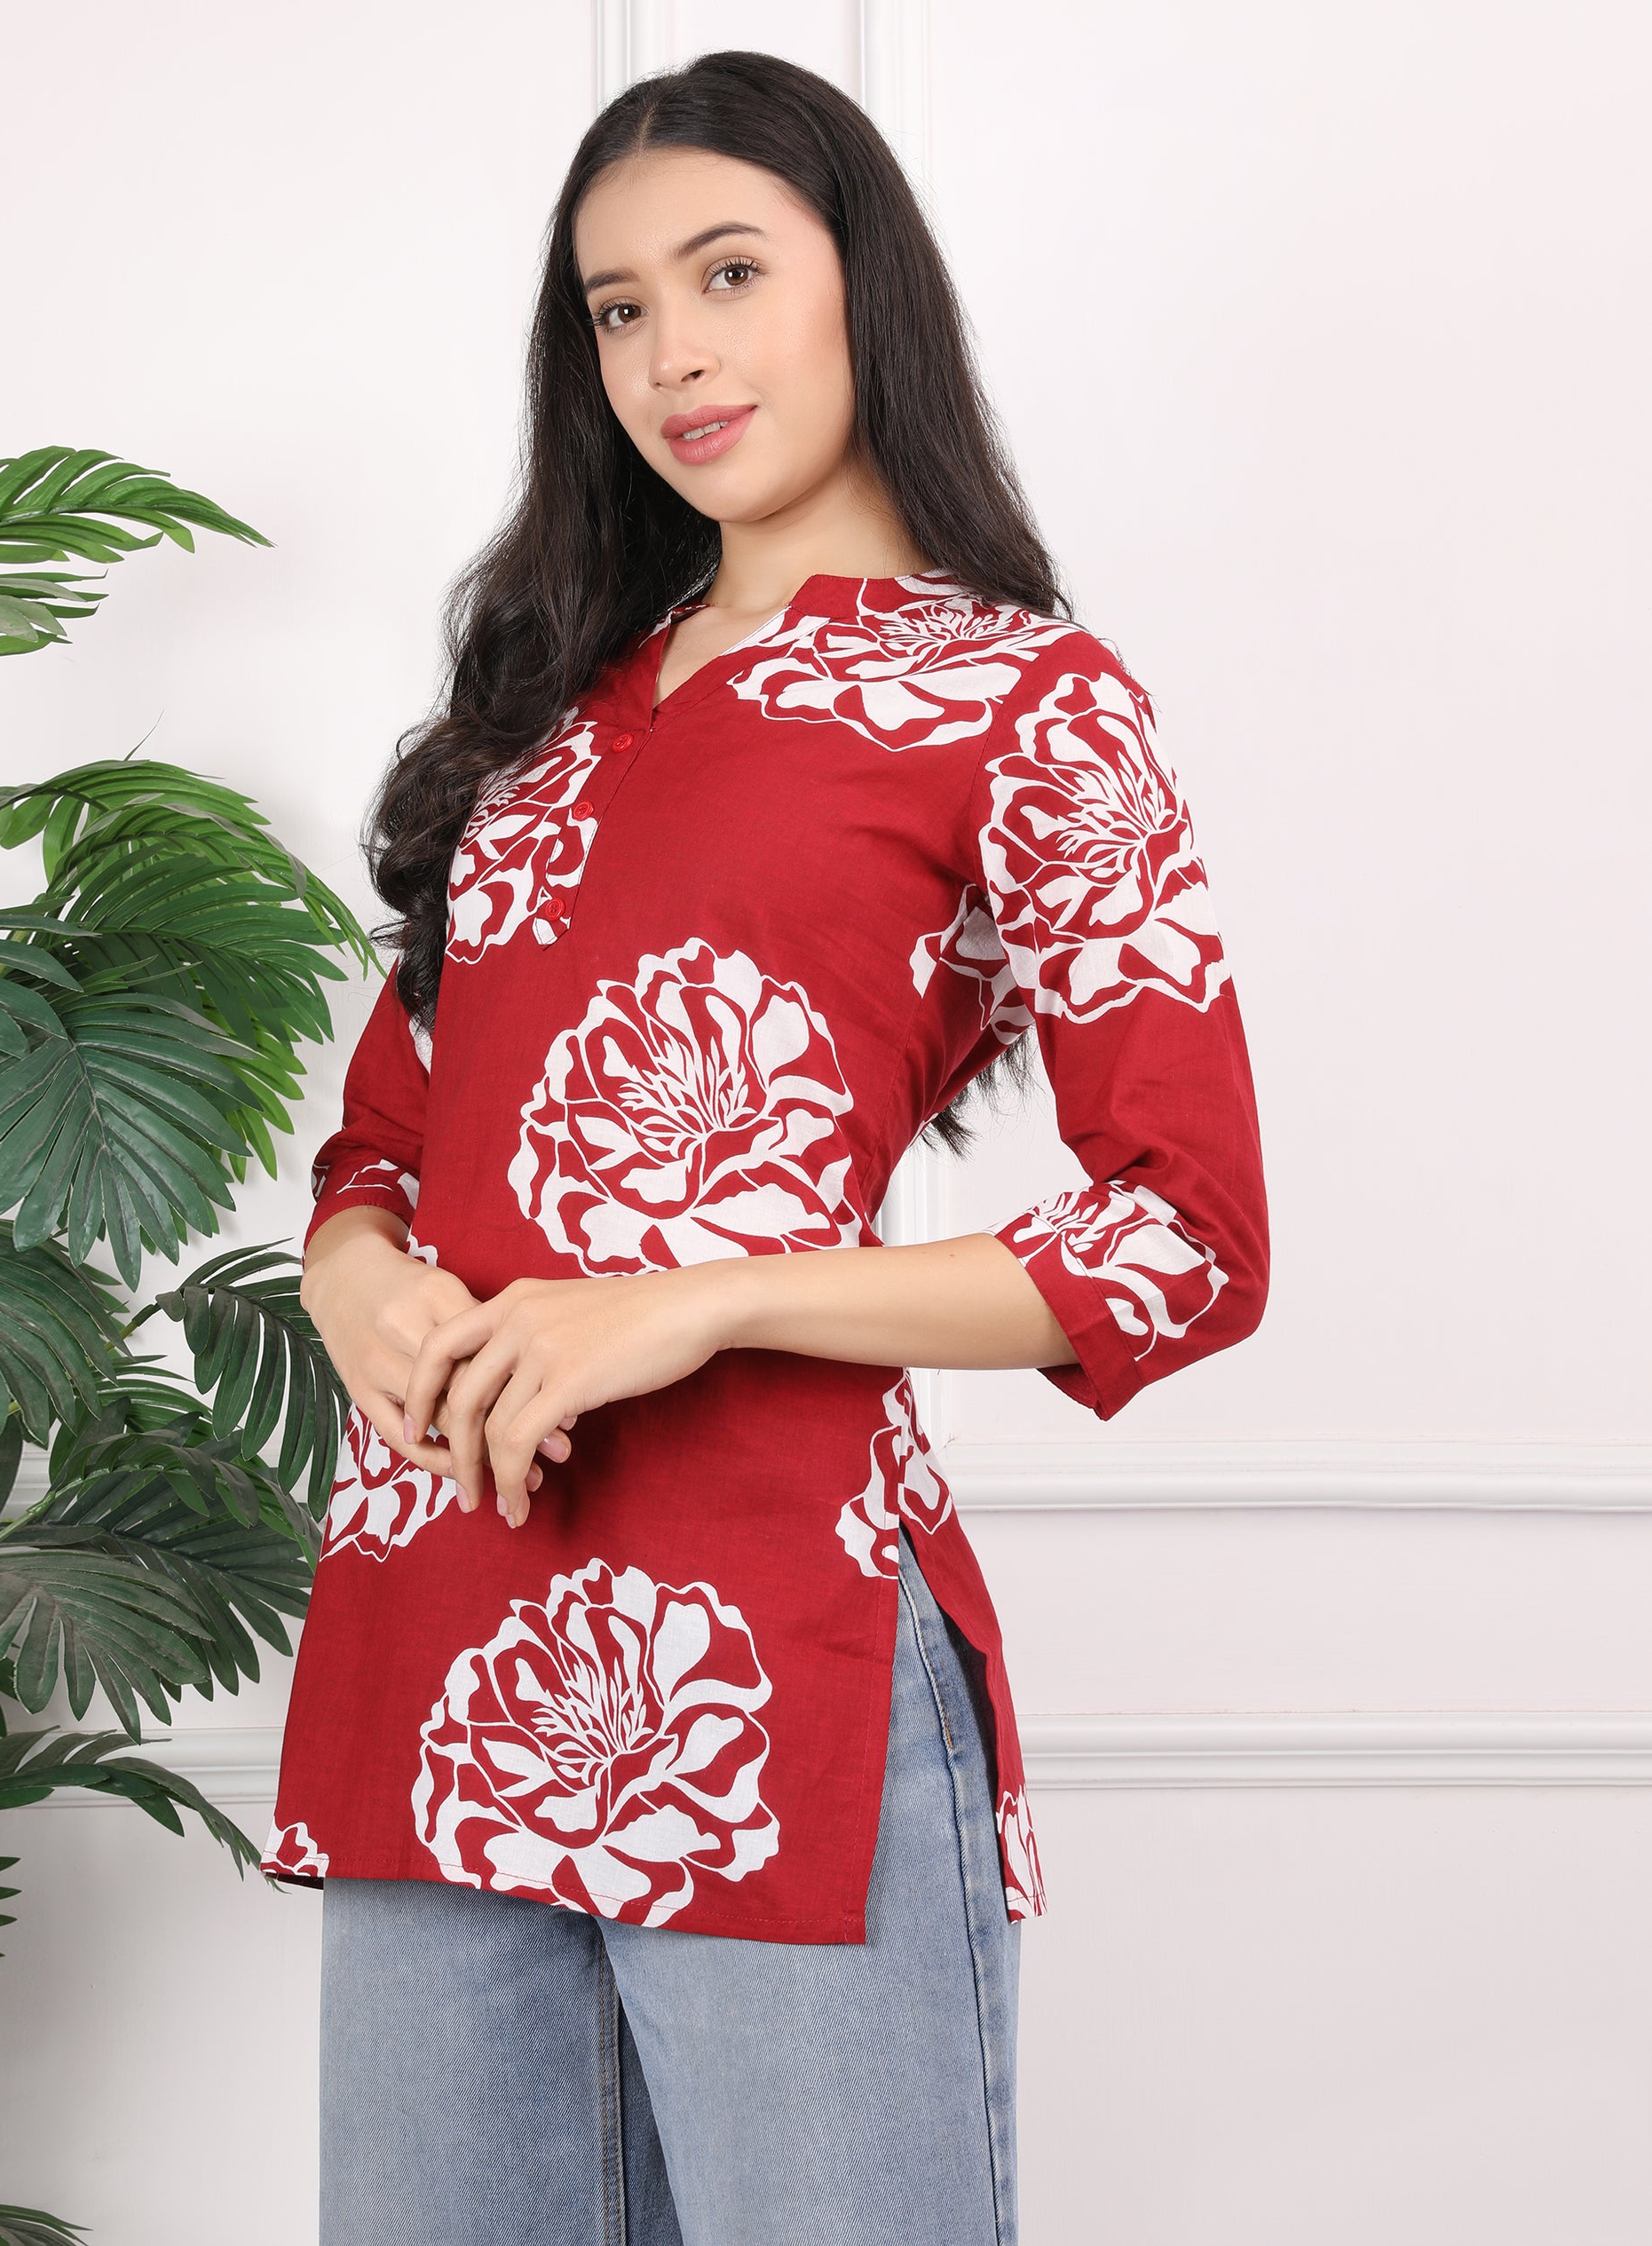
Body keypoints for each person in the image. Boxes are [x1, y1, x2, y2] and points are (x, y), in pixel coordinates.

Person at [265, 47, 1270, 2246]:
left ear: (859, 283)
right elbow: (378, 1145)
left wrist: (696, 1301)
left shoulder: (1023, 699)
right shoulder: (537, 720)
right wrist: (358, 1286)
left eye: (728, 274)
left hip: (771, 1645)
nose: (673, 355)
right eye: (618, 308)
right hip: (440, 1639)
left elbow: (1186, 1236)